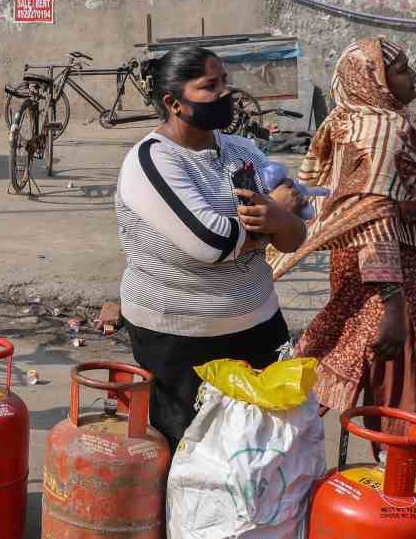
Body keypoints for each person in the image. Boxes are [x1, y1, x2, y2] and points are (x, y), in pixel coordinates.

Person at [112, 46, 309, 449]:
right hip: (181, 337)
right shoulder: (152, 160)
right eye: (209, 86)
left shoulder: (242, 150)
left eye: (225, 83)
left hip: (258, 326)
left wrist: (279, 221)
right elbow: (211, 242)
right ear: (174, 103)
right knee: (192, 455)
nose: (225, 94)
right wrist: (270, 221)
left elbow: (294, 237)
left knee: (259, 450)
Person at [270, 38, 416, 434]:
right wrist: (393, 306)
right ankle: (395, 479)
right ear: (373, 79)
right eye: (401, 69)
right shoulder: (379, 130)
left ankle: (280, 444)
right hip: (395, 278)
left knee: (345, 349)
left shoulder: (358, 118)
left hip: (399, 273)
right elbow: (374, 216)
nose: (412, 77)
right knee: (394, 378)